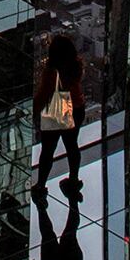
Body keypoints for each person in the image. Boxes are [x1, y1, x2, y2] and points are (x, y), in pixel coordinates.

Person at [34, 34, 85, 200]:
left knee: (48, 150)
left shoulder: (52, 72)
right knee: (72, 146)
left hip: (58, 108)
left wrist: (33, 111)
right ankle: (73, 179)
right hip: (76, 106)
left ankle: (41, 185)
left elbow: (44, 95)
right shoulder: (76, 66)